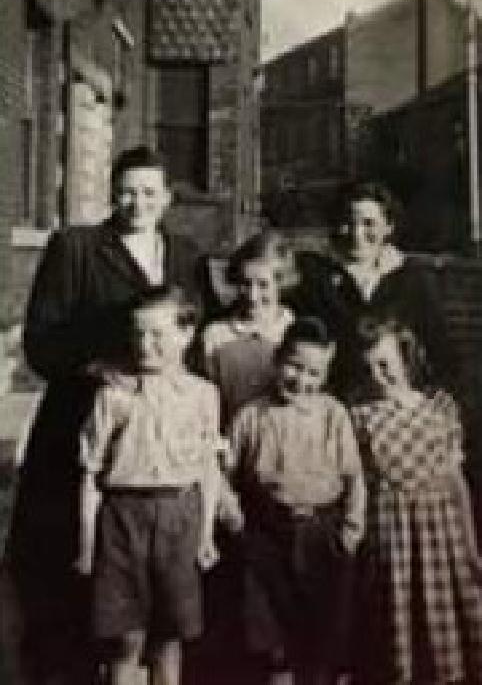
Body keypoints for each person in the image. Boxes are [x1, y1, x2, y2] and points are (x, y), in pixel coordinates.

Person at [6, 146, 200, 684]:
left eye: (149, 192)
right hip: (83, 421)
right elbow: (42, 343)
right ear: (113, 192)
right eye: (126, 190)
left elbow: (196, 335)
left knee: (153, 575)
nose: (136, 202)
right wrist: (99, 364)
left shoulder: (184, 253)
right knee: (74, 558)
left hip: (158, 431)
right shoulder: (77, 248)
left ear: (167, 198)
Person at [77, 287, 228, 685]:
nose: (145, 345)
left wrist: (206, 532)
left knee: (169, 637)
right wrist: (87, 541)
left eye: (157, 335)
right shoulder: (113, 395)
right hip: (123, 519)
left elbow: (208, 469)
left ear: (186, 334)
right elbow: (91, 473)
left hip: (180, 517)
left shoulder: (203, 395)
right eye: (138, 334)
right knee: (125, 639)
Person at [229, 317, 366, 685]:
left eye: (314, 373)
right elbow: (222, 475)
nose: (301, 380)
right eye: (294, 367)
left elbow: (354, 476)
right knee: (274, 640)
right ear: (277, 360)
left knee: (326, 636)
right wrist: (237, 522)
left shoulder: (333, 414)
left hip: (323, 532)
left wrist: (352, 529)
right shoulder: (251, 415)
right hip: (267, 534)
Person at [351, 317, 482, 684]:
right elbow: (357, 484)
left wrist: (471, 549)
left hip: (443, 540)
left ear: (406, 359)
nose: (378, 376)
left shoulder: (440, 409)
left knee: (447, 632)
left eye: (385, 365)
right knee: (396, 627)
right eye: (369, 368)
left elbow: (456, 482)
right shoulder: (360, 415)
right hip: (391, 539)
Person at [291, 180, 455, 401]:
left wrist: (424, 397)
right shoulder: (316, 278)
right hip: (335, 400)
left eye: (369, 223)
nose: (357, 233)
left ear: (388, 227)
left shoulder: (414, 280)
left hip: (397, 401)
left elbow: (439, 351)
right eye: (348, 222)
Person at [201, 230, 297, 431]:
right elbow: (207, 398)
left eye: (263, 285)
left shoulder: (294, 330)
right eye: (245, 284)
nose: (253, 296)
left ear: (281, 283)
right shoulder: (216, 334)